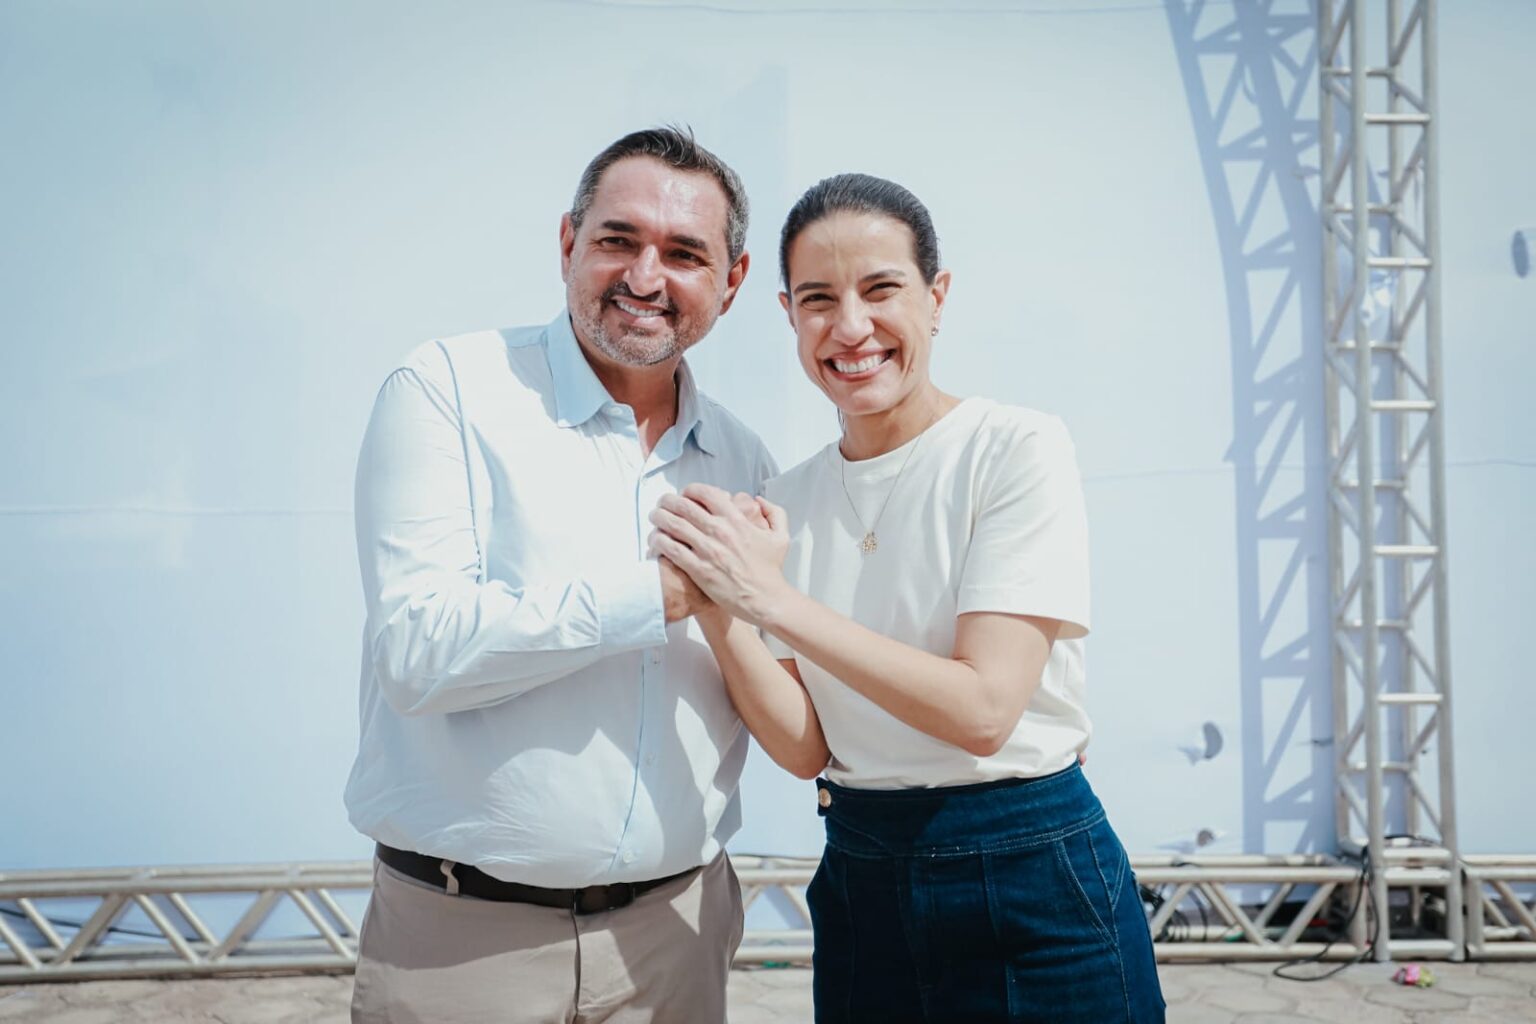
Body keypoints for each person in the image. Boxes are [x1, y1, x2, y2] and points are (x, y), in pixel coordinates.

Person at [649, 173, 1166, 1022]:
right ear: (788, 315)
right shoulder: (790, 496)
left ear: (937, 298)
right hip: (864, 871)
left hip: (1031, 869)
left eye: (880, 289)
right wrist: (719, 607)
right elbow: (806, 748)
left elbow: (983, 711)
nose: (850, 327)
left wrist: (771, 601)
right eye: (818, 299)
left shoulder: (1013, 449)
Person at [344, 127, 776, 1024]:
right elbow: (418, 654)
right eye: (619, 239)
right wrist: (661, 594)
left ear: (731, 282)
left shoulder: (745, 460)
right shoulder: (447, 391)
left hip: (678, 939)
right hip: (465, 947)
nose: (645, 277)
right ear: (568, 242)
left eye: (685, 253)